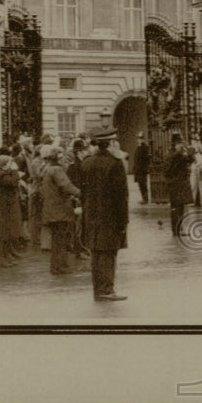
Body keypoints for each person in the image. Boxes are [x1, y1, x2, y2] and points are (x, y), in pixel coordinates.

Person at [80, 126, 130, 301]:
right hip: (110, 217)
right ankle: (107, 289)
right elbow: (121, 196)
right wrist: (124, 221)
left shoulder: (86, 162)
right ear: (110, 143)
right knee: (109, 254)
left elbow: (82, 192)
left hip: (91, 215)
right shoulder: (115, 164)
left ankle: (98, 290)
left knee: (96, 254)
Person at [39, 145, 81, 275]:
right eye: (62, 157)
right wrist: (82, 193)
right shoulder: (57, 170)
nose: (64, 160)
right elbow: (66, 186)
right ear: (57, 158)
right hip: (59, 210)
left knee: (57, 240)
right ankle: (61, 266)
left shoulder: (47, 169)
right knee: (61, 239)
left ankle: (56, 267)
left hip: (51, 209)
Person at [0, 154, 24, 267]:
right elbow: (11, 182)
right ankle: (1, 259)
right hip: (1, 207)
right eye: (9, 163)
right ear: (4, 164)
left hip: (4, 206)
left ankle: (6, 256)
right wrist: (15, 171)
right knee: (1, 233)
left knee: (6, 232)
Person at [166, 132, 193, 236]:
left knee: (180, 208)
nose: (181, 145)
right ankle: (176, 230)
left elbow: (190, 159)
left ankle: (179, 228)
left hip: (181, 185)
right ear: (174, 144)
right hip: (175, 185)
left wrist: (190, 149)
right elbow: (168, 169)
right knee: (175, 208)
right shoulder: (171, 155)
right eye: (179, 143)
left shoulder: (180, 154)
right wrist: (178, 153)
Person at [134, 133, 151, 204]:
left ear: (143, 139)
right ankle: (143, 198)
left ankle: (145, 199)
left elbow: (146, 159)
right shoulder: (139, 147)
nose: (138, 140)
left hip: (142, 169)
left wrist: (145, 167)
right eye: (138, 138)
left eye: (140, 138)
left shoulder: (145, 147)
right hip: (138, 169)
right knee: (140, 184)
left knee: (143, 184)